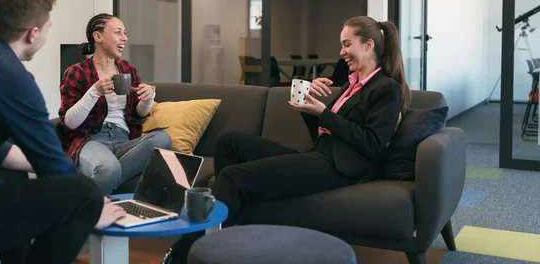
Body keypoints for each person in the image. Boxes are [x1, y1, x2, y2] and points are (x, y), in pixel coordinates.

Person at [164, 15, 410, 263]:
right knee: (229, 142)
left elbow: (372, 143)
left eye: (347, 44)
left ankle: (191, 251)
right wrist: (309, 108)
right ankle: (233, 230)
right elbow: (324, 133)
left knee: (231, 177)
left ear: (368, 45)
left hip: (342, 167)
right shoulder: (352, 84)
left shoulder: (384, 88)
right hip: (319, 155)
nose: (342, 51)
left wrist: (323, 112)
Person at [0, 0, 125, 264]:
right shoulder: (10, 76)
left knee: (9, 176)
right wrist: (92, 210)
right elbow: (52, 163)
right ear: (33, 33)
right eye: (49, 28)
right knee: (83, 193)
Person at [59, 13, 172, 195]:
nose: (125, 38)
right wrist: (94, 91)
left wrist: (149, 97)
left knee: (162, 139)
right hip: (91, 140)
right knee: (108, 168)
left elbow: (140, 113)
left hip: (125, 140)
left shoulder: (127, 69)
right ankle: (89, 209)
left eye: (124, 33)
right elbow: (70, 122)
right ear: (98, 36)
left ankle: (102, 180)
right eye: (118, 32)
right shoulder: (77, 72)